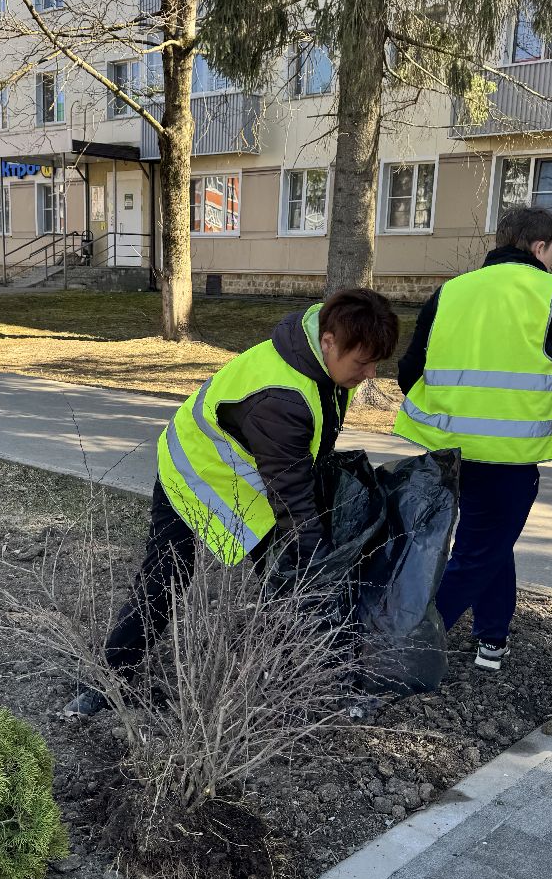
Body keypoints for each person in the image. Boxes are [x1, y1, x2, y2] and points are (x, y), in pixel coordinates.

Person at [63, 287, 400, 716]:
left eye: (376, 363)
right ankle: (106, 681)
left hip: (249, 479)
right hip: (195, 474)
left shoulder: (323, 360)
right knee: (167, 576)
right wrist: (318, 555)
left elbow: (304, 459)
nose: (370, 373)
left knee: (291, 575)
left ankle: (316, 676)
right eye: (363, 362)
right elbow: (292, 495)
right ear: (329, 341)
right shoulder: (282, 398)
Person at [393, 206, 552, 671]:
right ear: (540, 246)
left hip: (448, 448)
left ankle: (492, 636)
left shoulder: (451, 292)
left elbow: (410, 370)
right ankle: (405, 644)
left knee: (490, 541)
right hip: (511, 452)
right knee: (479, 549)